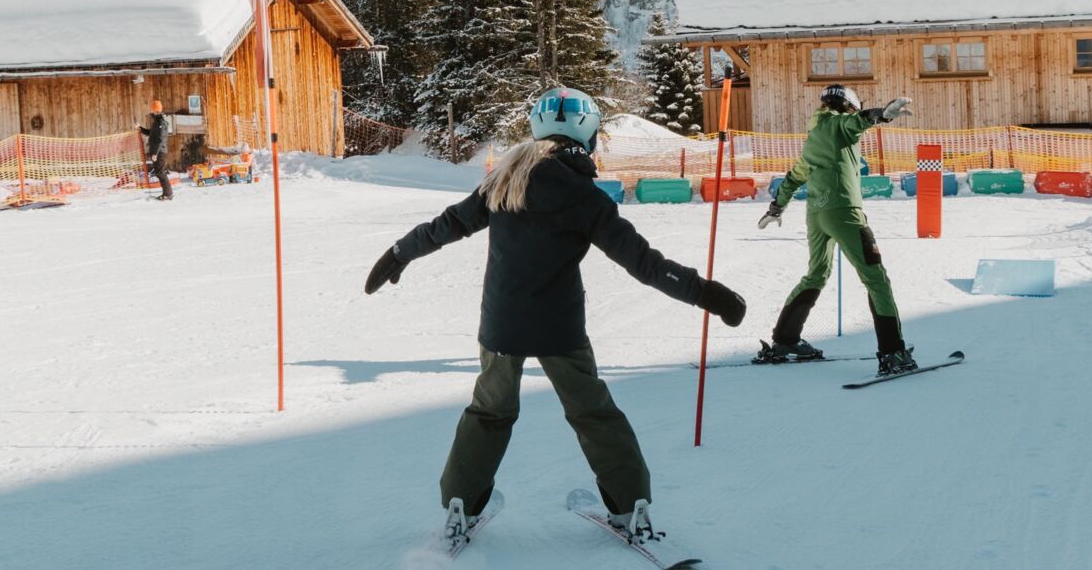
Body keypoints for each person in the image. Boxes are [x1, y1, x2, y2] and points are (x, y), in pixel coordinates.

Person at [364, 87, 747, 549]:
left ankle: (459, 505)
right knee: (594, 413)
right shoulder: (586, 197)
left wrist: (400, 252)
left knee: (488, 411)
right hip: (559, 330)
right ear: (588, 135)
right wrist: (706, 293)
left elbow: (446, 225)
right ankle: (631, 507)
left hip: (501, 326)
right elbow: (645, 264)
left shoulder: (505, 181)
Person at [754, 84, 915, 374]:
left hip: (816, 215)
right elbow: (858, 121)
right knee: (876, 278)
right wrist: (883, 115)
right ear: (848, 105)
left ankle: (786, 340)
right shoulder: (840, 125)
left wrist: (776, 207)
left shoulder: (814, 136)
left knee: (816, 274)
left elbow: (793, 177)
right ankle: (893, 352)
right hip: (844, 211)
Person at [139, 99, 173, 201]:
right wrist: (140, 128)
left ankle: (168, 194)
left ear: (157, 110)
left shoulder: (161, 122)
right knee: (159, 172)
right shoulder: (157, 122)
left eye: (153, 110)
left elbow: (160, 139)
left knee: (160, 173)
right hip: (157, 152)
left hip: (159, 152)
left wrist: (155, 153)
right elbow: (151, 133)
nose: (151, 112)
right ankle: (167, 193)